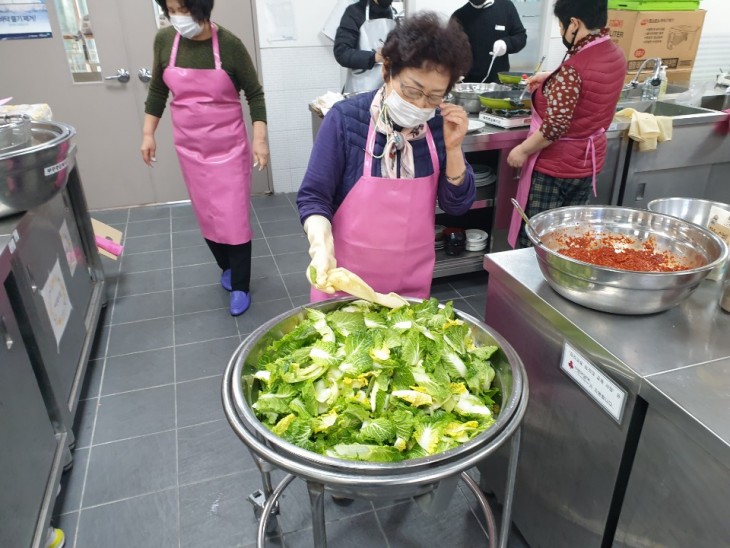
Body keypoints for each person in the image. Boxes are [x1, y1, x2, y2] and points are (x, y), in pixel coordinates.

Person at [297, 12, 476, 302]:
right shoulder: (345, 120)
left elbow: (457, 206)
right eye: (412, 91)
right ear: (387, 70)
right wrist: (321, 248)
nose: (420, 104)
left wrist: (454, 149)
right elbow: (313, 197)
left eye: (433, 97)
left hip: (411, 289)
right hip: (344, 285)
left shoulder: (437, 126)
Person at [141, 0, 269, 316]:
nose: (178, 17)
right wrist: (148, 133)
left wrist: (260, 139)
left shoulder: (229, 44)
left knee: (233, 217)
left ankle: (240, 284)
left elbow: (255, 94)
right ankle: (224, 266)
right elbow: (158, 90)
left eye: (183, 8)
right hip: (189, 146)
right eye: (171, 9)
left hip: (228, 147)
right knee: (207, 213)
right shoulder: (164, 41)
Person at [506, 0, 625, 248]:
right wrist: (551, 77)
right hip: (586, 164)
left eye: (561, 26)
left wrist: (522, 150)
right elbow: (591, 80)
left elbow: (555, 128)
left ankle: (530, 284)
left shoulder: (573, 70)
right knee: (569, 237)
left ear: (574, 24)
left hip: (556, 168)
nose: (561, 32)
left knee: (539, 238)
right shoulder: (614, 53)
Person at [451, 0, 527, 84]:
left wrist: (506, 44)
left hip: (499, 82)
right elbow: (450, 50)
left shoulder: (506, 7)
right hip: (467, 84)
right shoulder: (459, 16)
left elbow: (520, 36)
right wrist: (453, 71)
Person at [334, 0, 396, 93]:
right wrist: (374, 57)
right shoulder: (355, 12)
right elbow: (342, 53)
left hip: (387, 91)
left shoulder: (394, 14)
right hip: (360, 91)